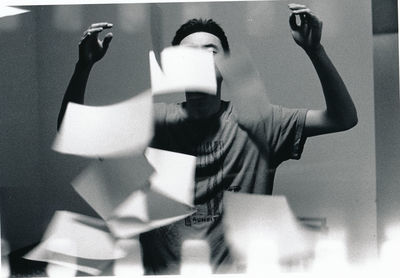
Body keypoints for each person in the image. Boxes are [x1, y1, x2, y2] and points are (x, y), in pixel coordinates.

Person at [57, 3, 357, 274]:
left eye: (210, 51)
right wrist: (83, 66)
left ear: (225, 65)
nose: (200, 59)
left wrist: (315, 50)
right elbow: (73, 131)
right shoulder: (153, 121)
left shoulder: (259, 122)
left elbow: (342, 118)